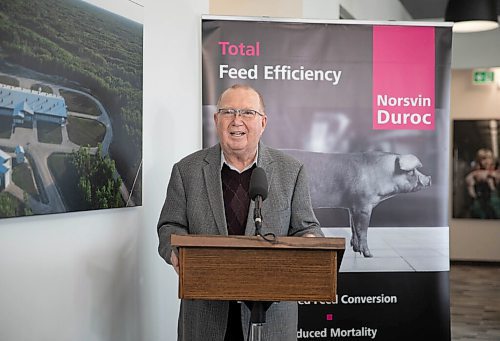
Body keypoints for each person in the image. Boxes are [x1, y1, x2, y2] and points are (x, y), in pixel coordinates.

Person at [157, 84, 323, 341]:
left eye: (247, 112)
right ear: (216, 119)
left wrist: (310, 244)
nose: (237, 121)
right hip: (206, 316)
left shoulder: (291, 171)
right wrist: (175, 252)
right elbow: (170, 226)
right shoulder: (186, 170)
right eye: (228, 112)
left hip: (271, 319)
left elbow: (306, 228)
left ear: (263, 122)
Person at [465, 148, 500, 218]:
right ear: (479, 161)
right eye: (484, 159)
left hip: (494, 201)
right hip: (480, 201)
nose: (487, 161)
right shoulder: (475, 173)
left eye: (489, 158)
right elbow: (469, 181)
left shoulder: (494, 172)